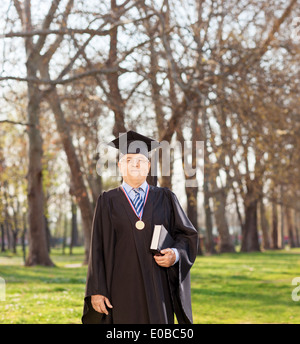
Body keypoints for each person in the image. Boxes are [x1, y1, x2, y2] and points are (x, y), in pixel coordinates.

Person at [82, 130, 198, 324]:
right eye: (128, 160)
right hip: (119, 291)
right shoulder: (107, 201)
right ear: (120, 166)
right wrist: (97, 290)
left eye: (140, 161)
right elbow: (97, 249)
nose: (134, 164)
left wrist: (175, 255)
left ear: (148, 166)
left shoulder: (166, 198)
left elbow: (187, 236)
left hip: (158, 288)